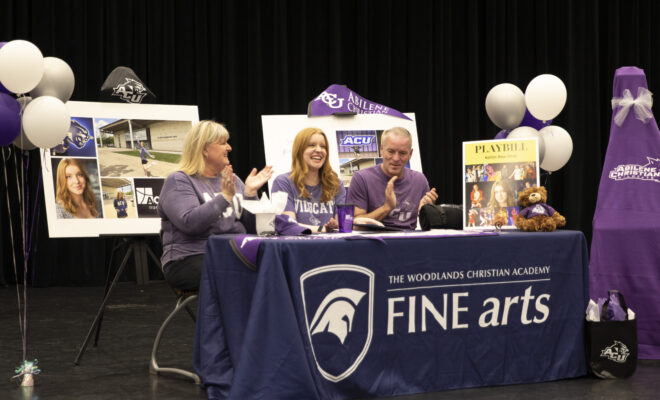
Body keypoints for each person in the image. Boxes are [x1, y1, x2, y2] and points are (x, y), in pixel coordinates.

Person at [158, 121, 273, 291]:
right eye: (223, 143)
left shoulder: (232, 179)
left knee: (277, 268)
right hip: (190, 257)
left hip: (235, 252)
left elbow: (253, 229)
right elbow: (190, 223)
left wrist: (250, 194)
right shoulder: (179, 180)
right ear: (204, 149)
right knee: (240, 276)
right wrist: (225, 197)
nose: (229, 148)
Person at [346, 127, 437, 229]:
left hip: (408, 242)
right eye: (391, 151)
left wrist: (427, 212)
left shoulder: (420, 180)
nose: (396, 158)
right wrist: (386, 208)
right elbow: (354, 226)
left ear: (410, 154)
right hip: (373, 242)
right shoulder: (361, 178)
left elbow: (428, 226)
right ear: (381, 150)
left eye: (402, 153)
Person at [271, 127, 346, 232]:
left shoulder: (336, 184)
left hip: (331, 245)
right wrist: (322, 229)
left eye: (323, 147)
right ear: (299, 150)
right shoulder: (283, 182)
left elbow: (343, 225)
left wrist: (337, 225)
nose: (319, 150)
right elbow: (288, 225)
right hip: (298, 246)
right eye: (312, 145)